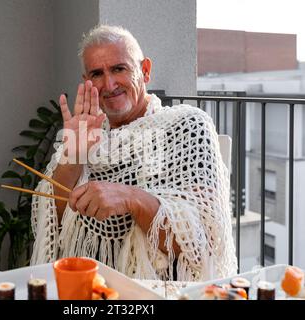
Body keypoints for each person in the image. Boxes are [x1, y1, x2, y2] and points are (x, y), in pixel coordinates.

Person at [30, 25, 237, 281]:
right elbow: (54, 221)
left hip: (155, 288)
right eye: (97, 73)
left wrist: (131, 198)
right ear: (87, 82)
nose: (109, 84)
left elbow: (198, 243)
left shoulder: (186, 126)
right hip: (82, 284)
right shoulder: (86, 129)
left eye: (119, 68)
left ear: (145, 70)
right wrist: (73, 157)